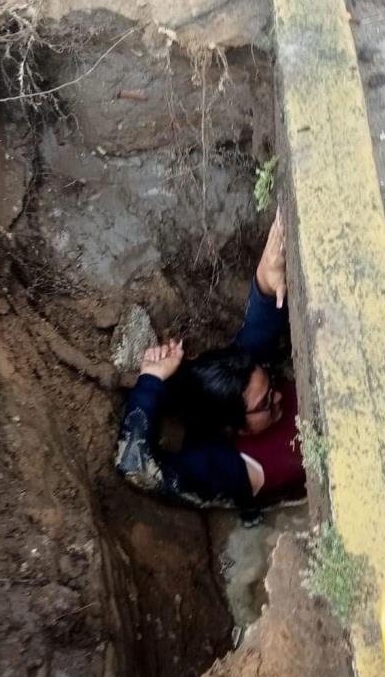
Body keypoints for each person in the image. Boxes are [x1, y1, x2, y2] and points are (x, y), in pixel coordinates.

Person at [116, 209, 302, 516]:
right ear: (235, 428)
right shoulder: (225, 468)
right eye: (266, 402)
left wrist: (272, 267)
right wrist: (150, 381)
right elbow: (134, 466)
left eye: (270, 386)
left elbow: (265, 298)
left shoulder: (247, 374)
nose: (278, 395)